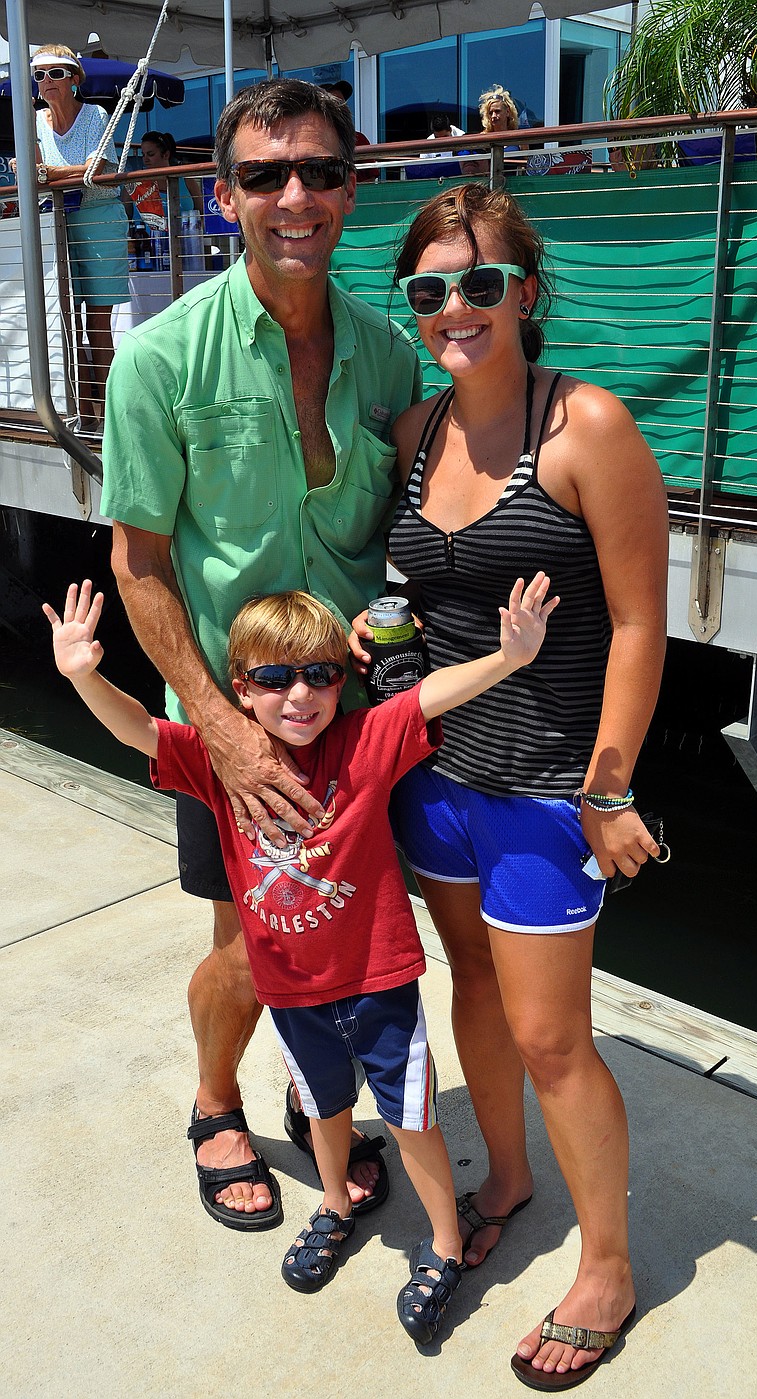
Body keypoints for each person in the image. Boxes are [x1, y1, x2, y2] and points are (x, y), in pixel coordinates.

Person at [44, 571, 558, 1339]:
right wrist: (85, 674)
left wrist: (509, 658)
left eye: (320, 674)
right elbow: (138, 731)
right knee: (322, 1107)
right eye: (275, 678)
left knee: (410, 1112)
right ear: (239, 689)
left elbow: (428, 697)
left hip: (379, 980)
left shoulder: (364, 740)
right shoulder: (219, 763)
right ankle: (334, 1202)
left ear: (343, 680)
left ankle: (445, 1245)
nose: (300, 695)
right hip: (289, 989)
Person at [351, 183, 669, 1387]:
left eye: (480, 284)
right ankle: (511, 1172)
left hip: (546, 788)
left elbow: (640, 622)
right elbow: (416, 605)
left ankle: (608, 1263)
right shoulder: (416, 434)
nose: (454, 308)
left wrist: (607, 785)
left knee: (552, 1035)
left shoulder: (583, 426)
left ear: (525, 295)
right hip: (440, 779)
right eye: (430, 290)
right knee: (471, 984)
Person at [100, 78, 422, 1231]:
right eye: (264, 175)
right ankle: (212, 1095)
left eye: (321, 171)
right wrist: (221, 725)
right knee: (245, 937)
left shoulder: (391, 357)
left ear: (352, 186)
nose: (296, 195)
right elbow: (140, 564)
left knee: (341, 923)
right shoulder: (160, 360)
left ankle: (317, 1086)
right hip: (234, 702)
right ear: (225, 197)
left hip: (350, 708)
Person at [23, 45, 129, 427]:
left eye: (55, 73)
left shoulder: (96, 114)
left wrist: (48, 173)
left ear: (73, 79)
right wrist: (57, 172)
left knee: (97, 325)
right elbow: (42, 175)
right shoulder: (33, 122)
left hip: (99, 220)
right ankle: (83, 414)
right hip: (58, 226)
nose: (46, 82)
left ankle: (112, 416)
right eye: (40, 76)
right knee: (65, 323)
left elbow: (95, 168)